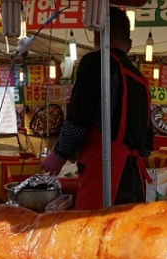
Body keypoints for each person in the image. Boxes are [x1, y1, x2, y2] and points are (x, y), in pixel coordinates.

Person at [40, 6, 152, 207]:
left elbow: (78, 118)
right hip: (134, 181)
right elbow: (146, 148)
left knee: (95, 233)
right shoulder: (141, 81)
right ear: (130, 44)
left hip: (107, 178)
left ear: (96, 38)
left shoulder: (95, 63)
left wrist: (59, 154)